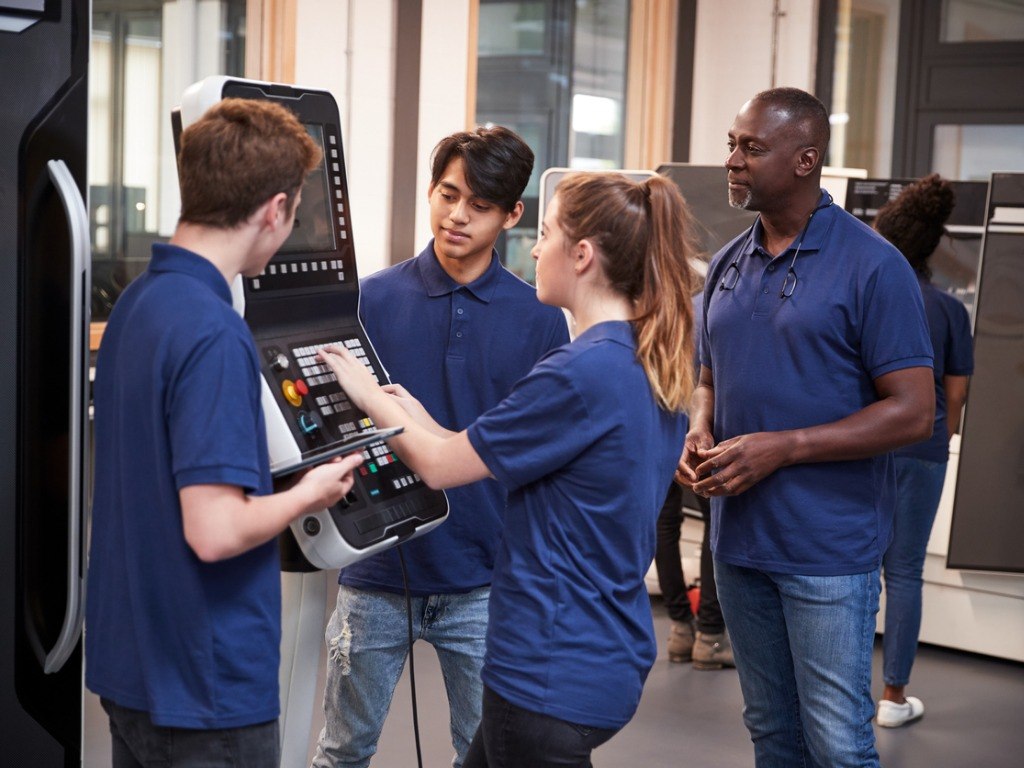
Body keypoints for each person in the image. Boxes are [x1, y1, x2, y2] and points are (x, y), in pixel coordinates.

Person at [319, 171, 698, 768]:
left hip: (550, 668)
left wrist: (365, 394)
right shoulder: (636, 359)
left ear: (582, 255)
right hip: (600, 653)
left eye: (545, 234)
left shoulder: (577, 375)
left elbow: (442, 467)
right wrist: (411, 412)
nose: (535, 249)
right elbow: (479, 453)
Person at [84, 98, 364, 768]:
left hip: (134, 669)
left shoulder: (136, 303)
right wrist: (312, 492)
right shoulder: (213, 333)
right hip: (206, 689)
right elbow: (213, 529)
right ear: (275, 210)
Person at [677, 87, 935, 768]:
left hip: (828, 553)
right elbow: (706, 378)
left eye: (750, 147)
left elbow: (914, 410)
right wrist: (697, 429)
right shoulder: (730, 263)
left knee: (837, 742)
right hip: (737, 547)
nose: (731, 160)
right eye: (731, 144)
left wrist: (785, 447)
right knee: (772, 735)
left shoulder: (873, 266)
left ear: (805, 159)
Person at [311, 126, 570, 768]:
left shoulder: (540, 316)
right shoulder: (370, 298)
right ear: (430, 191)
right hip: (374, 570)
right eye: (448, 194)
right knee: (342, 752)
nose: (457, 216)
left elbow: (541, 455)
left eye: (479, 205)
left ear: (512, 215)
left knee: (483, 756)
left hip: (484, 580)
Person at [871, 174, 974, 728]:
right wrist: (943, 433)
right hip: (924, 446)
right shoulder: (950, 310)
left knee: (859, 564)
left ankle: (840, 689)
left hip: (866, 442)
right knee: (904, 571)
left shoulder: (870, 292)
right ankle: (892, 698)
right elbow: (954, 394)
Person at [654, 291, 733, 669]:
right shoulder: (717, 305)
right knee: (714, 525)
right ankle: (711, 636)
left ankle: (680, 629)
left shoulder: (661, 307)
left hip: (657, 427)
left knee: (664, 525)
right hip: (699, 433)